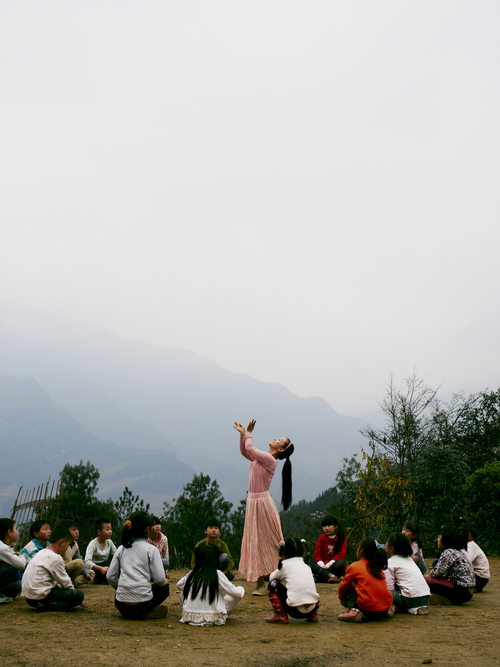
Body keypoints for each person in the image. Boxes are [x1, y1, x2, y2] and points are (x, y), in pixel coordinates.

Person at [234, 419, 294, 595]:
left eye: (279, 440)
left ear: (281, 449)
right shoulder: (262, 459)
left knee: (267, 541)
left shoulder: (269, 460)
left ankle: (278, 575)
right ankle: (261, 581)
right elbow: (245, 451)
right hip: (254, 502)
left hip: (262, 504)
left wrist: (249, 433)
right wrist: (242, 435)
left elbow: (250, 448)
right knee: (256, 541)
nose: (275, 439)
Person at [107, 512, 170, 620]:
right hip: (143, 604)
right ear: (147, 529)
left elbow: (110, 576)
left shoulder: (121, 548)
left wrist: (122, 588)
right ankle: (144, 613)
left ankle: (132, 613)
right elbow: (159, 579)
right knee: (164, 589)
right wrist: (164, 582)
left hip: (121, 605)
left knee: (120, 595)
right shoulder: (151, 549)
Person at [177, 542, 244, 626]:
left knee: (184, 593)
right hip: (214, 619)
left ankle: (193, 608)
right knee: (236, 594)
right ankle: (219, 609)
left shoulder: (192, 574)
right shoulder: (217, 574)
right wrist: (241, 589)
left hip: (189, 618)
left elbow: (179, 585)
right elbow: (237, 594)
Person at [21, 524, 84, 612]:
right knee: (79, 595)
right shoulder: (56, 558)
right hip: (41, 597)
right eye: (67, 545)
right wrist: (75, 595)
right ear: (62, 542)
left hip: (29, 599)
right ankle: (50, 605)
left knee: (59, 584)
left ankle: (51, 603)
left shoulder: (41, 552)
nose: (66, 549)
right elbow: (65, 582)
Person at [338, 537, 394, 622]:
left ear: (361, 551)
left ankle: (354, 611)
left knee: (351, 585)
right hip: (384, 610)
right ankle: (389, 609)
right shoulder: (377, 568)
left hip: (367, 610)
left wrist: (342, 600)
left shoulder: (355, 566)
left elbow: (343, 586)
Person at [265, 536, 320, 624]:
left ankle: (280, 615)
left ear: (283, 551)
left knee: (273, 584)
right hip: (313, 608)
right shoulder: (305, 563)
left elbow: (272, 578)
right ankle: (313, 615)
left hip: (295, 611)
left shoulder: (285, 565)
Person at [425, 524, 475, 605]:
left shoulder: (449, 553)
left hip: (461, 591)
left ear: (446, 539)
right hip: (467, 592)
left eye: (439, 537)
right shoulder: (458, 552)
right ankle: (447, 599)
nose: (437, 540)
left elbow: (436, 573)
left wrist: (427, 577)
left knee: (426, 580)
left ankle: (446, 599)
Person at [385, 532, 430, 615]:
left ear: (391, 548)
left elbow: (389, 587)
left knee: (382, 594)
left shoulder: (390, 562)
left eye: (387, 541)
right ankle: (414, 609)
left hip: (410, 598)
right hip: (425, 598)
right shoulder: (410, 560)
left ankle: (392, 607)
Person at [312, 515, 347, 583]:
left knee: (340, 563)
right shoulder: (321, 538)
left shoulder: (341, 539)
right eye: (324, 526)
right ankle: (331, 576)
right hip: (322, 566)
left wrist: (328, 565)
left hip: (332, 566)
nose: (326, 528)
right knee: (307, 561)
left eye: (329, 525)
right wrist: (322, 565)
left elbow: (341, 555)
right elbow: (317, 554)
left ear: (335, 526)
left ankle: (321, 577)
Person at [0, 518, 26, 601]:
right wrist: (20, 556)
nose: (17, 532)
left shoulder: (6, 547)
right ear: (9, 532)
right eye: (15, 529)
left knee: (19, 584)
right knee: (12, 568)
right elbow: (21, 565)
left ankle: (3, 595)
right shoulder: (2, 548)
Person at [84, 518, 116, 584]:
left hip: (105, 566)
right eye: (107, 529)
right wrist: (101, 569)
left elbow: (116, 555)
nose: (110, 532)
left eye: (110, 529)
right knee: (94, 574)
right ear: (99, 532)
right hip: (95, 568)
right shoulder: (93, 544)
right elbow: (87, 561)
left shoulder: (109, 542)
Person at [461, 523, 490, 593]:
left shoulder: (470, 545)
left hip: (479, 578)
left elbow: (465, 561)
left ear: (468, 535)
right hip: (480, 577)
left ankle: (472, 587)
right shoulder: (468, 545)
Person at [63, 522, 94, 586]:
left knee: (91, 573)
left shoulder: (75, 544)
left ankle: (72, 583)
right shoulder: (62, 543)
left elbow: (79, 557)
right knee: (79, 563)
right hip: (63, 569)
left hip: (71, 572)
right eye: (73, 530)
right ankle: (68, 583)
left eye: (77, 529)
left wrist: (86, 573)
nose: (77, 532)